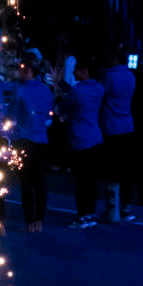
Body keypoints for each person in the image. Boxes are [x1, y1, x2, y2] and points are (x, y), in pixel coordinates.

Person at [10, 55, 54, 232]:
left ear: (27, 69)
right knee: (40, 183)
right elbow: (49, 115)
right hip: (42, 140)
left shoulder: (18, 90)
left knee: (26, 184)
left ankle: (30, 222)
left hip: (23, 140)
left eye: (22, 68)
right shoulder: (46, 90)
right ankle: (40, 221)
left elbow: (12, 117)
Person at [64, 60, 106, 228]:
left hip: (80, 139)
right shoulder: (99, 89)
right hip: (95, 137)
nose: (74, 73)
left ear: (84, 70)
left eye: (76, 70)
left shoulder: (77, 91)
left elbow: (67, 105)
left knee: (80, 181)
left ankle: (81, 216)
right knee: (91, 179)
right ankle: (90, 214)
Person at [100, 52, 138, 224]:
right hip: (127, 126)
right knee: (126, 168)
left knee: (111, 169)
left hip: (111, 126)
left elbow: (100, 96)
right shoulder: (131, 76)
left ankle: (112, 208)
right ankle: (127, 207)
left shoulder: (108, 76)